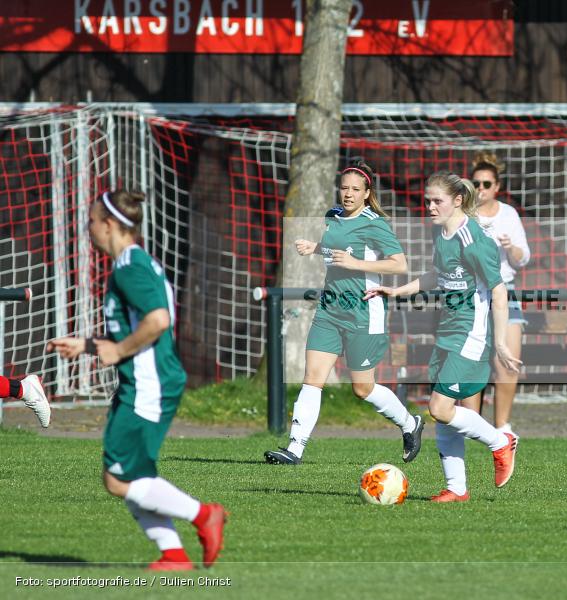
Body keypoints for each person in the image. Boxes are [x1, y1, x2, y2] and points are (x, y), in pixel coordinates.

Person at [47, 190, 225, 571]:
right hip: (144, 381)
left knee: (117, 479)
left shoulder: (130, 267)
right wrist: (89, 345)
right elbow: (137, 327)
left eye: (92, 220)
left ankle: (204, 514)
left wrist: (117, 350)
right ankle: (173, 555)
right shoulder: (132, 263)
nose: (88, 227)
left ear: (109, 225)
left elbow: (157, 320)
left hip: (149, 385)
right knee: (131, 475)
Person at [365, 172, 520, 503]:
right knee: (443, 409)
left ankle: (500, 442)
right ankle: (457, 488)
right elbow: (438, 275)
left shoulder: (474, 240)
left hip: (471, 333)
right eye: (427, 201)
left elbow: (499, 290)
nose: (430, 206)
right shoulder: (444, 235)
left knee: (439, 407)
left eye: (437, 201)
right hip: (448, 331)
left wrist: (502, 342)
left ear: (457, 200)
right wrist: (397, 290)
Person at [264, 162, 424, 467]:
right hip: (330, 310)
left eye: (355, 189)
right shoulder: (333, 216)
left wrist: (356, 264)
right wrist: (314, 247)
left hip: (364, 313)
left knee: (362, 388)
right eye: (344, 188)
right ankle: (294, 450)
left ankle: (409, 423)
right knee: (312, 379)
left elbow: (399, 264)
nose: (348, 194)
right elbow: (335, 249)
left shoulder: (375, 223)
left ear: (367, 194)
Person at [470, 152, 530, 437]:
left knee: (507, 362)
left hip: (504, 291)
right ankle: (471, 426)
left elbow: (522, 258)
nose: (480, 189)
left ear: (496, 187)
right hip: (472, 293)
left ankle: (502, 428)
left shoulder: (508, 214)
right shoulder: (464, 215)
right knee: (472, 363)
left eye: (486, 184)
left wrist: (510, 248)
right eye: (476, 183)